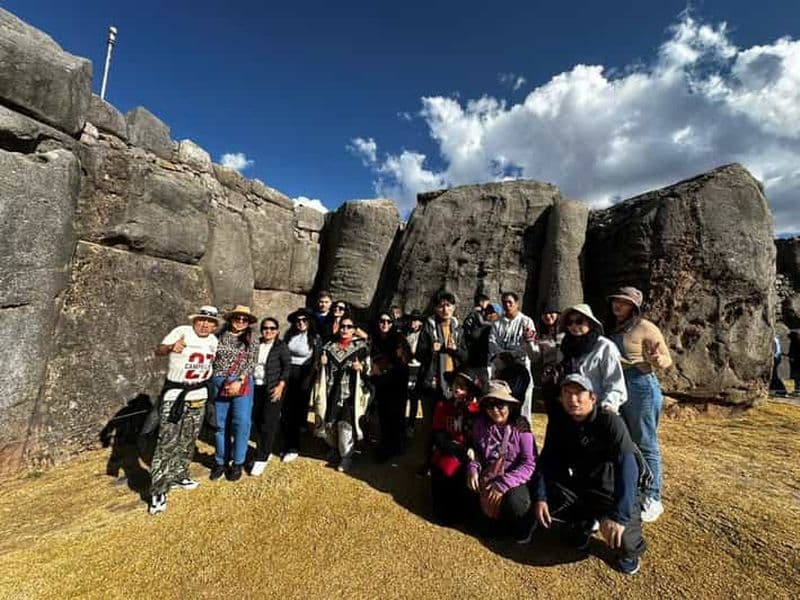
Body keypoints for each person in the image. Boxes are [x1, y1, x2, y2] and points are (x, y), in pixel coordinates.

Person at [533, 374, 647, 576]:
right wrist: (541, 496)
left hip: (612, 490)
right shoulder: (559, 421)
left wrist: (620, 516)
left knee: (624, 542)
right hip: (581, 487)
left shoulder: (609, 421)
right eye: (567, 393)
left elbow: (628, 468)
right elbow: (546, 461)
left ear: (593, 398)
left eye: (579, 393)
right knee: (544, 491)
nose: (573, 399)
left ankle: (629, 549)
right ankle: (584, 522)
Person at [606, 287, 673, 523]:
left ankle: (653, 497)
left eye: (624, 302)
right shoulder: (613, 327)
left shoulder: (645, 326)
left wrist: (656, 358)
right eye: (616, 300)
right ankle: (633, 487)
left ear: (634, 306)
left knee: (645, 442)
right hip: (617, 384)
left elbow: (666, 359)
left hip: (640, 384)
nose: (618, 305)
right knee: (624, 440)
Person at [148, 305, 220, 514]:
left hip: (198, 396)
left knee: (188, 439)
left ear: (214, 326)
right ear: (195, 320)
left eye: (210, 322)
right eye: (201, 320)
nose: (205, 324)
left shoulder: (214, 341)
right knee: (167, 442)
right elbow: (158, 350)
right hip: (175, 396)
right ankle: (158, 490)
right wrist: (171, 347)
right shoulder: (182, 331)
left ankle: (179, 474)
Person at [466, 380, 538, 542]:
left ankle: (524, 523)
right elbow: (477, 452)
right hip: (489, 476)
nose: (495, 410)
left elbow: (529, 463)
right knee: (483, 528)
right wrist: (473, 468)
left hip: (514, 480)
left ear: (510, 406)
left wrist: (503, 484)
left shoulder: (521, 429)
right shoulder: (481, 426)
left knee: (515, 502)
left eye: (500, 405)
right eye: (490, 406)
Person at [415, 289, 466, 473]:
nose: (445, 309)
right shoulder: (428, 327)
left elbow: (465, 356)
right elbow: (418, 354)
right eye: (441, 305)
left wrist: (456, 350)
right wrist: (431, 350)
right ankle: (427, 462)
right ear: (436, 308)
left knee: (451, 426)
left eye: (448, 305)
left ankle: (446, 462)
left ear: (454, 307)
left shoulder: (459, 329)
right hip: (433, 383)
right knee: (430, 426)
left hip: (454, 386)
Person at [317, 313, 370, 472]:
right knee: (329, 421)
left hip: (350, 393)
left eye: (349, 327)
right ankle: (334, 448)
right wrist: (321, 364)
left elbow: (370, 368)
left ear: (354, 330)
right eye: (342, 326)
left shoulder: (361, 348)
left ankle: (346, 456)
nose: (345, 329)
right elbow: (318, 370)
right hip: (330, 391)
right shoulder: (328, 347)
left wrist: (361, 368)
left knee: (346, 424)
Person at [210, 305, 257, 482]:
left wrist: (240, 380)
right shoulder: (218, 337)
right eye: (238, 318)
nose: (241, 321)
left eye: (245, 319)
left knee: (241, 422)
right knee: (220, 424)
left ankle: (238, 462)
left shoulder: (251, 339)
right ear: (231, 319)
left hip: (241, 382)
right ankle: (220, 461)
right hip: (219, 381)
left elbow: (252, 362)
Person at [430, 368, 483, 524]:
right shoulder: (442, 406)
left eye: (462, 386)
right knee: (445, 468)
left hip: (470, 453)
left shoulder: (477, 411)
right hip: (449, 450)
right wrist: (461, 449)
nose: (457, 389)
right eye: (455, 385)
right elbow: (438, 436)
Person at [559, 303, 627, 414]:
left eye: (579, 321)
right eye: (570, 322)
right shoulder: (564, 347)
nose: (574, 326)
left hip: (598, 408)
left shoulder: (605, 347)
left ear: (590, 323)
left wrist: (608, 406)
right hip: (570, 408)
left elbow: (615, 382)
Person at [250, 316, 291, 476]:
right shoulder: (256, 344)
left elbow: (287, 367)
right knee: (257, 419)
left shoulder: (281, 346)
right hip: (254, 386)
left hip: (272, 388)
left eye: (272, 328)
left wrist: (281, 385)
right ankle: (262, 448)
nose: (269, 331)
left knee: (269, 422)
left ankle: (262, 456)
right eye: (266, 328)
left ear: (277, 331)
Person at [489, 291, 538, 420]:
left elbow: (528, 344)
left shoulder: (526, 321)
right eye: (504, 303)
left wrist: (513, 355)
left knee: (523, 405)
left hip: (521, 368)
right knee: (503, 402)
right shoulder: (497, 323)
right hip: (502, 368)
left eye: (510, 302)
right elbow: (492, 343)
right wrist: (502, 354)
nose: (507, 305)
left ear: (517, 304)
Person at [369, 312, 411, 460]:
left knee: (396, 415)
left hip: (397, 382)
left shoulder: (399, 338)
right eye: (382, 321)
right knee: (383, 414)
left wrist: (387, 364)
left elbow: (405, 358)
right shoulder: (374, 338)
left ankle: (395, 446)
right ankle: (386, 444)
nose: (385, 324)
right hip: (381, 382)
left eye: (388, 321)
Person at [281, 308, 321, 462]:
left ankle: (293, 447)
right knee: (285, 410)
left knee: (297, 412)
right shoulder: (289, 335)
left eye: (304, 320)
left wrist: (309, 379)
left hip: (304, 375)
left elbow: (316, 360)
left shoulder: (315, 338)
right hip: (287, 373)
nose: (301, 323)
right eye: (298, 320)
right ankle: (285, 441)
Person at [534, 307, 564, 415]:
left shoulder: (565, 331)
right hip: (548, 375)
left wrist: (553, 345)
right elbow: (535, 356)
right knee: (550, 407)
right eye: (544, 314)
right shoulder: (541, 334)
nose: (547, 316)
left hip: (563, 373)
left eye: (551, 313)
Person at [404, 309, 425, 435]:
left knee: (414, 398)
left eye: (416, 320)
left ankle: (411, 424)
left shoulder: (423, 335)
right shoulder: (406, 333)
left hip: (418, 369)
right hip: (406, 368)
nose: (413, 322)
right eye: (412, 320)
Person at [789, 330, 800, 395]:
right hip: (796, 362)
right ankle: (797, 390)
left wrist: (791, 357)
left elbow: (793, 352)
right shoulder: (796, 341)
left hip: (796, 363)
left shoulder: (794, 342)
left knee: (796, 376)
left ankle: (797, 390)